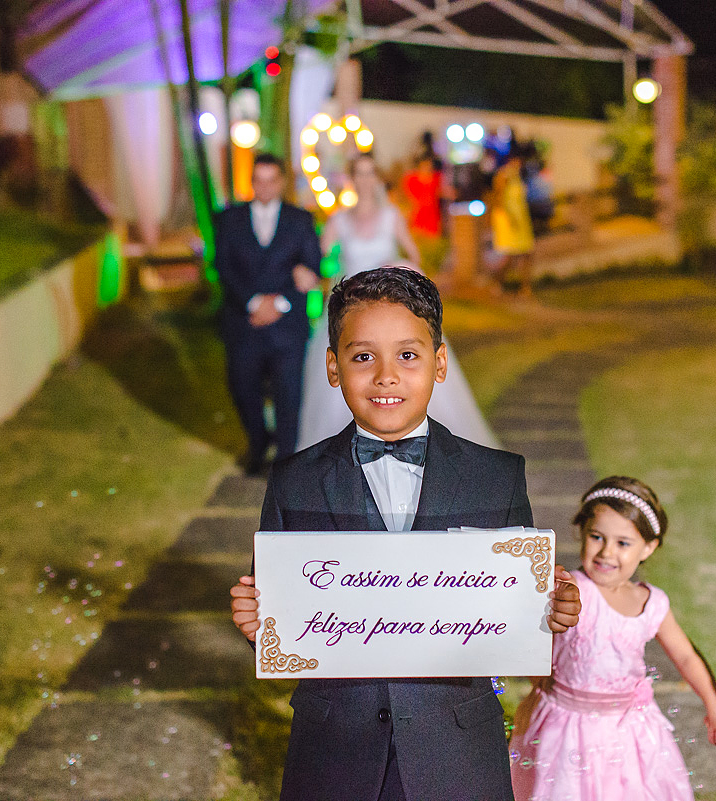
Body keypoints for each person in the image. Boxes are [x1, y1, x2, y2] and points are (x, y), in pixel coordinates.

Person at [229, 267, 583, 801]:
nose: (386, 376)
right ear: (333, 366)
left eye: (408, 355)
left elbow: (514, 602)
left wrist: (549, 609)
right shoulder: (294, 481)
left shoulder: (496, 476)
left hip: (457, 750)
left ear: (440, 363)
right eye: (363, 356)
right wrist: (260, 622)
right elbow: (282, 600)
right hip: (334, 748)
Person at [510, 476, 716, 801]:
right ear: (581, 532)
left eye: (623, 543)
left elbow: (686, 656)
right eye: (596, 537)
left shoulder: (652, 603)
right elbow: (533, 640)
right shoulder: (573, 590)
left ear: (648, 547)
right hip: (565, 730)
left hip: (631, 732)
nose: (606, 552)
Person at [297, 153, 497, 451]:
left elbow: (414, 257)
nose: (365, 180)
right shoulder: (339, 220)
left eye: (370, 173)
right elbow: (318, 259)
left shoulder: (391, 215)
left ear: (377, 178)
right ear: (351, 179)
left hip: (390, 305)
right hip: (351, 309)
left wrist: (397, 263)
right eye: (359, 174)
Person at [213, 153, 322, 474]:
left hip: (287, 326)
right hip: (242, 323)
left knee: (289, 395)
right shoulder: (229, 219)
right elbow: (222, 266)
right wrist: (252, 302)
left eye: (271, 180)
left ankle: (285, 462)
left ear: (282, 182)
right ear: (251, 182)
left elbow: (312, 266)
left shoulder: (300, 220)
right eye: (258, 180)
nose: (264, 186)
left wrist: (279, 304)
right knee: (242, 388)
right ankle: (258, 443)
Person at [489, 152, 536, 297]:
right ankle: (497, 282)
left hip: (521, 219)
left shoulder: (518, 177)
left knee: (527, 253)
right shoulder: (504, 175)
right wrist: (509, 218)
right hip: (508, 220)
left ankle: (525, 287)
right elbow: (498, 198)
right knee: (509, 256)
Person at [402, 154, 443, 238]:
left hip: (432, 217)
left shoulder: (436, 178)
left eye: (429, 165)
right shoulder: (412, 179)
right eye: (425, 165)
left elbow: (441, 191)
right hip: (418, 216)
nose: (428, 167)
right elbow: (407, 197)